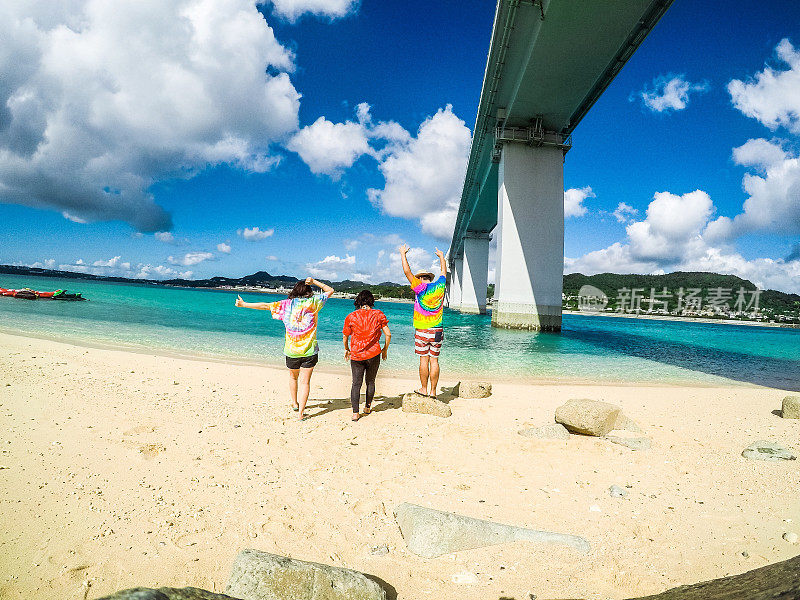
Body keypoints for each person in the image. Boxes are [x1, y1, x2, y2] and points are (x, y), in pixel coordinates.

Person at [235, 277, 334, 420]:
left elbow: (265, 306)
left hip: (292, 351)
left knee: (293, 377)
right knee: (305, 382)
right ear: (308, 292)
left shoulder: (286, 305)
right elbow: (330, 290)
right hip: (310, 351)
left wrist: (244, 304)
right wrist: (314, 282)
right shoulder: (314, 303)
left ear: (295, 291)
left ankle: (294, 403)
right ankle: (300, 413)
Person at [398, 244, 447, 398]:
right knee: (434, 360)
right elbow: (444, 271)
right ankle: (433, 392)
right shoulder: (440, 286)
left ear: (419, 279)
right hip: (437, 330)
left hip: (422, 330)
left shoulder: (419, 288)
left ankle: (424, 389)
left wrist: (402, 253)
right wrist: (441, 257)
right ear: (430, 279)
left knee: (423, 359)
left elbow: (407, 271)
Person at [342, 290, 391, 422]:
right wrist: (385, 349)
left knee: (356, 384)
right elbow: (388, 334)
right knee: (370, 382)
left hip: (357, 355)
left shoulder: (351, 316)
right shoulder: (378, 314)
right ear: (371, 301)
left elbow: (345, 336)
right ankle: (368, 407)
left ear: (358, 301)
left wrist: (347, 349)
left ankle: (355, 413)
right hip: (374, 354)